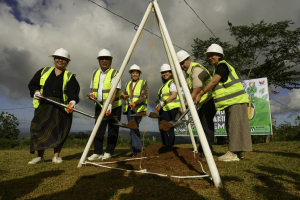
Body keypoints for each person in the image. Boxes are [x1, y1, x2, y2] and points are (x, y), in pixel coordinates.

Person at [195, 44, 252, 161]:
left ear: (219, 56)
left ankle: (232, 153)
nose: (210, 57)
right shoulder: (222, 66)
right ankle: (238, 152)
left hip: (236, 101)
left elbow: (214, 82)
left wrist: (200, 93)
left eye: (212, 55)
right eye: (208, 56)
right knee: (234, 126)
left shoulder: (222, 66)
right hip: (234, 101)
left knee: (233, 126)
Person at [28, 48, 80, 164]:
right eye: (58, 58)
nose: (60, 60)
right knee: (39, 128)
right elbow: (33, 84)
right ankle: (40, 157)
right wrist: (36, 91)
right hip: (44, 104)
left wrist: (72, 102)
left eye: (64, 59)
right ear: (54, 59)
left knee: (60, 129)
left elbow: (74, 93)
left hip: (62, 106)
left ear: (67, 62)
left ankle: (56, 156)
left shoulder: (70, 76)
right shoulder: (43, 71)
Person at [177, 50, 216, 157]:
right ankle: (202, 147)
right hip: (200, 103)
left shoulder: (197, 70)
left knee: (206, 125)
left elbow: (196, 91)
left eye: (183, 63)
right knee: (201, 126)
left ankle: (208, 149)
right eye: (179, 64)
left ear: (188, 59)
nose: (181, 66)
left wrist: (184, 105)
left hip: (208, 100)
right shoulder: (187, 74)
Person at [88, 49, 122, 161]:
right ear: (98, 61)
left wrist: (110, 105)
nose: (104, 61)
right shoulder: (95, 73)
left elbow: (115, 90)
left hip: (114, 106)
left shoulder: (115, 73)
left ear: (110, 60)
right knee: (98, 129)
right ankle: (97, 152)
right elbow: (92, 87)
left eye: (107, 59)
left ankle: (108, 152)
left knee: (113, 129)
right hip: (99, 105)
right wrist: (92, 94)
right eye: (102, 59)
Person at [121, 64, 148, 157]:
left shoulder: (143, 83)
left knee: (134, 127)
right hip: (129, 109)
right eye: (133, 72)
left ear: (139, 74)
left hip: (138, 109)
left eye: (137, 72)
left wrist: (135, 103)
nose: (135, 74)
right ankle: (134, 151)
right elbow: (126, 94)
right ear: (131, 74)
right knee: (131, 128)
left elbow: (143, 97)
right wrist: (123, 95)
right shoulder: (128, 84)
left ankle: (137, 151)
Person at [156, 64, 181, 146]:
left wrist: (162, 103)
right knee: (162, 128)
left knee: (169, 128)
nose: (164, 74)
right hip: (164, 109)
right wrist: (160, 101)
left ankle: (170, 146)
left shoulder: (172, 83)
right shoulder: (164, 85)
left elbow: (174, 95)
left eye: (166, 72)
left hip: (171, 109)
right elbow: (165, 96)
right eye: (162, 72)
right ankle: (165, 145)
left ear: (171, 73)